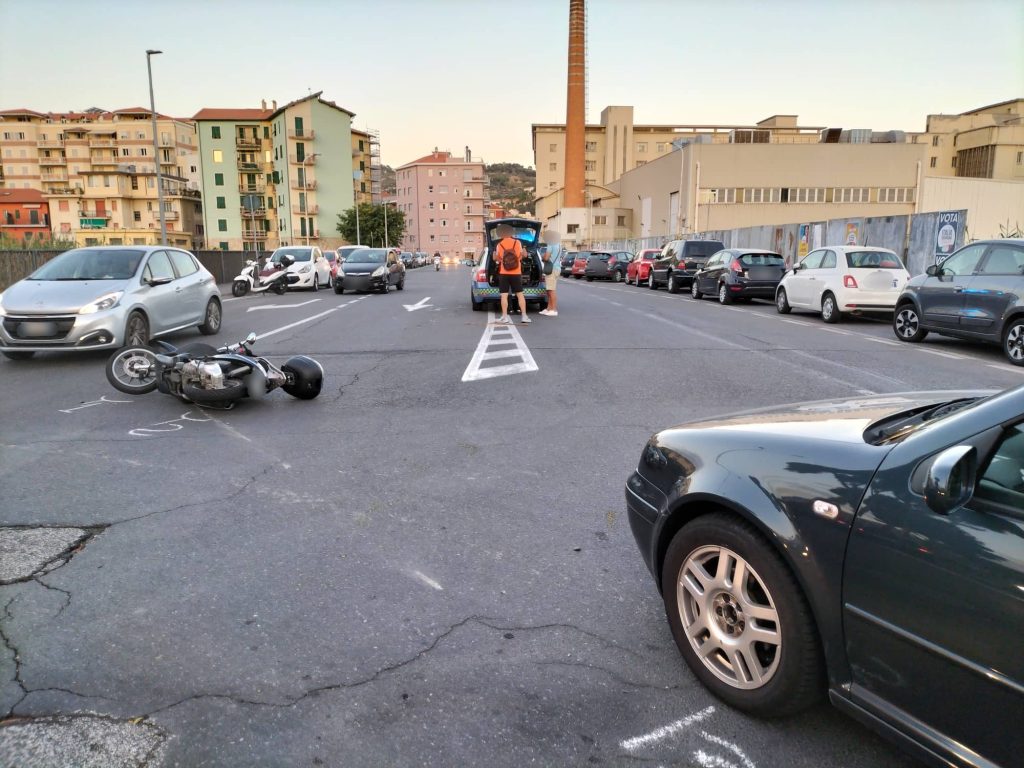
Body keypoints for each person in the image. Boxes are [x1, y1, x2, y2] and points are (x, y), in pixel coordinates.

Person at [494, 224, 529, 324]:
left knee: (504, 296)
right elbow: (523, 255)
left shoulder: (499, 245)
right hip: (516, 273)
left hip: (504, 273)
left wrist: (497, 257)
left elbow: (497, 259)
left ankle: (505, 317)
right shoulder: (517, 242)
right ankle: (524, 316)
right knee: (520, 295)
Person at [539, 230, 562, 317]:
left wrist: (543, 257)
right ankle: (548, 308)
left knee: (551, 290)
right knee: (549, 290)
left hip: (551, 269)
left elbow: (546, 257)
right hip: (557, 268)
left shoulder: (551, 244)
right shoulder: (559, 245)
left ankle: (554, 309)